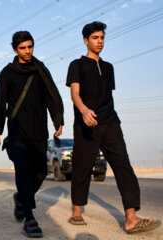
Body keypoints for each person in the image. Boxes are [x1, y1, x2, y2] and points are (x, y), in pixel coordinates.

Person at [66, 21, 161, 234]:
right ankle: (77, 211)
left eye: (102, 38)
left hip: (110, 122)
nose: (99, 41)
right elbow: (75, 94)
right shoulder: (76, 65)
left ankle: (131, 217)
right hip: (86, 124)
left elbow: (106, 95)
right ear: (85, 41)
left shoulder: (108, 67)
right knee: (82, 167)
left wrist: (108, 117)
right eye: (95, 38)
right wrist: (83, 110)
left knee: (123, 166)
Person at [0, 31, 64, 238]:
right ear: (15, 50)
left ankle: (21, 199)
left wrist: (57, 118)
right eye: (23, 48)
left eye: (30, 47)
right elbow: (1, 102)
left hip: (39, 130)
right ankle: (30, 218)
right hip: (17, 131)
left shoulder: (41, 69)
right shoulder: (7, 72)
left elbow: (52, 95)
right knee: (23, 171)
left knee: (41, 172)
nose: (27, 51)